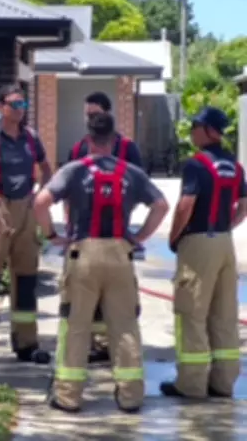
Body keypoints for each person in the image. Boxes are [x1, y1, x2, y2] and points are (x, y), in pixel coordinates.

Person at [33, 112, 169, 413]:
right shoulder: (131, 172)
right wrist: (139, 237)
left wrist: (52, 235)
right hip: (120, 253)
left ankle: (68, 396)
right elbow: (161, 205)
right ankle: (131, 396)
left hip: (83, 253)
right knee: (124, 325)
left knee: (76, 325)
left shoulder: (74, 170)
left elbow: (41, 202)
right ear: (114, 140)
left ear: (88, 139)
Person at [161, 106, 247, 399]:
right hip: (224, 243)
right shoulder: (235, 167)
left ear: (210, 131)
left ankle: (192, 384)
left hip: (198, 243)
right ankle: (223, 383)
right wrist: (226, 226)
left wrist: (174, 236)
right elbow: (244, 206)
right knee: (224, 315)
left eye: (196, 126)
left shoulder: (196, 165)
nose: (192, 132)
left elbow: (186, 205)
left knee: (192, 312)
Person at [65, 92, 145, 365]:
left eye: (95, 114)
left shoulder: (128, 149)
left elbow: (140, 188)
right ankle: (90, 344)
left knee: (116, 297)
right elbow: (66, 193)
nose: (90, 119)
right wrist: (68, 228)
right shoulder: (78, 149)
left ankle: (107, 344)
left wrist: (129, 226)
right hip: (83, 236)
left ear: (108, 115)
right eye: (87, 115)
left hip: (116, 236)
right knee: (81, 297)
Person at [0, 84, 52, 364]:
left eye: (23, 104)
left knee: (26, 277)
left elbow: (46, 168)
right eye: (14, 104)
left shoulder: (31, 137)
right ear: (1, 107)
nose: (20, 110)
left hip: (26, 208)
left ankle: (26, 343)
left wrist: (40, 195)